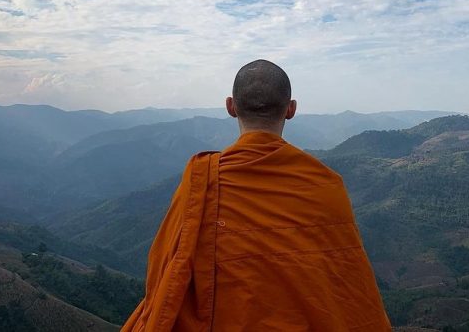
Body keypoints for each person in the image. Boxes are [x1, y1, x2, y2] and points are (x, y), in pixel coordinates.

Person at [122, 59, 392, 331]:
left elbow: (165, 275)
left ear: (230, 106)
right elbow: (348, 287)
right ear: (291, 109)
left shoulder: (201, 182)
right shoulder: (326, 186)